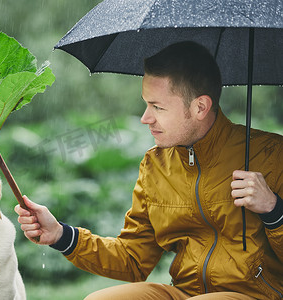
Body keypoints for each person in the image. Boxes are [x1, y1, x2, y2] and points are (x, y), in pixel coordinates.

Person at [15, 41, 283, 299]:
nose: (146, 118)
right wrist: (62, 235)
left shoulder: (272, 154)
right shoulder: (156, 165)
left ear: (200, 107)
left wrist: (274, 210)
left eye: (158, 107)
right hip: (185, 293)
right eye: (146, 103)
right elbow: (133, 259)